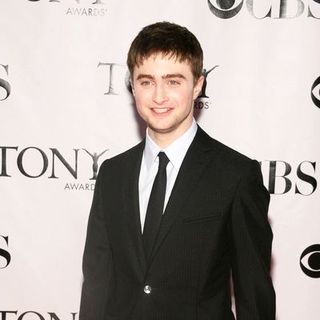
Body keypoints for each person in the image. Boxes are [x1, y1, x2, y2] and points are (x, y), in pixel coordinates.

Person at [79, 21, 275, 320]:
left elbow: (254, 296)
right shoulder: (112, 174)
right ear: (132, 85)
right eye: (146, 81)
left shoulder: (235, 176)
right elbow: (96, 286)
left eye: (173, 81)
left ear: (197, 84)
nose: (159, 96)